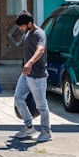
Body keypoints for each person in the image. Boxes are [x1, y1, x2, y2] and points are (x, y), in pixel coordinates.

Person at [13, 10, 51, 142]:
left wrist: (30, 62)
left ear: (29, 23)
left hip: (38, 76)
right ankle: (29, 127)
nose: (20, 28)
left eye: (22, 26)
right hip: (26, 75)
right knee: (18, 98)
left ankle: (46, 132)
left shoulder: (39, 34)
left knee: (41, 105)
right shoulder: (28, 32)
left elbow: (40, 50)